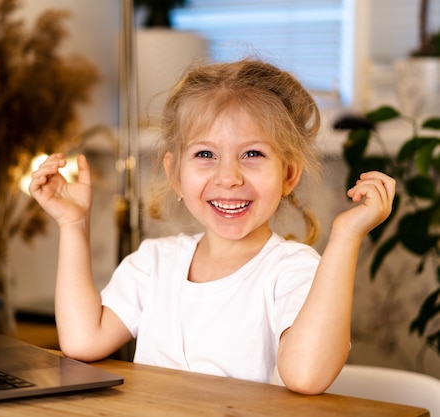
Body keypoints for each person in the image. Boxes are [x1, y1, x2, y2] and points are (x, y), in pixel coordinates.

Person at [28, 58, 395, 395]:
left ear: (287, 174)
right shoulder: (154, 263)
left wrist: (346, 238)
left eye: (252, 154)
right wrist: (73, 224)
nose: (229, 178)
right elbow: (81, 341)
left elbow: (306, 375)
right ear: (175, 174)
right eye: (205, 154)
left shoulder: (294, 271)